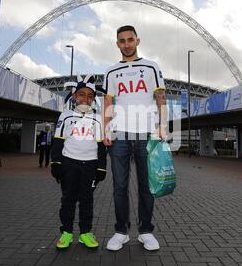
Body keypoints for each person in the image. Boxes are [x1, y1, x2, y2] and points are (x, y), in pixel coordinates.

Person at [103, 25, 167, 251]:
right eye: (122, 41)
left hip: (146, 134)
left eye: (130, 40)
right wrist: (106, 129)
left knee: (146, 186)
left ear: (137, 41)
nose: (127, 44)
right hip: (120, 135)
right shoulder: (111, 71)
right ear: (117, 44)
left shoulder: (151, 67)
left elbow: (160, 97)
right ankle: (121, 231)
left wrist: (163, 126)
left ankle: (145, 231)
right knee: (119, 186)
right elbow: (108, 102)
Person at [50, 74, 107, 249]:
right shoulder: (65, 115)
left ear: (93, 99)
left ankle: (85, 233)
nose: (86, 98)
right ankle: (66, 233)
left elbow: (101, 146)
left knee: (87, 200)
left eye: (90, 96)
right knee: (68, 199)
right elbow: (58, 140)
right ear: (74, 96)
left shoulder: (98, 118)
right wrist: (56, 163)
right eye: (81, 94)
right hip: (69, 164)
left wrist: (101, 167)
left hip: (90, 165)